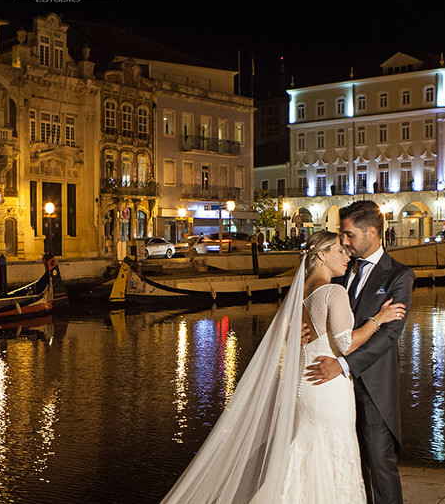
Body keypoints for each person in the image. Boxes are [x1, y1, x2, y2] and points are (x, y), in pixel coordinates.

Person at [162, 230, 406, 503]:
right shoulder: (334, 291)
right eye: (339, 250)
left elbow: (292, 337)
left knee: (305, 452)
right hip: (328, 388)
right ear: (322, 255)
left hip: (304, 386)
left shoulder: (299, 293)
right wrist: (378, 319)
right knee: (333, 454)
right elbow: (346, 344)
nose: (346, 255)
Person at [305, 200, 415, 503]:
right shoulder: (339, 268)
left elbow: (389, 335)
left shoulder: (399, 275)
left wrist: (342, 364)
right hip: (334, 391)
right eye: (342, 236)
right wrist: (307, 330)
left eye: (350, 235)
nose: (344, 241)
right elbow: (323, 310)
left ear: (371, 232)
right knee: (345, 459)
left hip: (373, 385)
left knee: (379, 463)